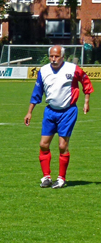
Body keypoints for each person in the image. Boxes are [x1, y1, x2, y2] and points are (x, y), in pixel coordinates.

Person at [24, 45, 94, 189]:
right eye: (51, 56)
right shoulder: (43, 71)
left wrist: (86, 102)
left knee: (62, 145)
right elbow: (37, 92)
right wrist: (30, 111)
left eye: (56, 56)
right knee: (43, 144)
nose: (53, 59)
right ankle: (46, 177)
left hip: (68, 112)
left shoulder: (73, 69)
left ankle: (61, 178)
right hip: (50, 111)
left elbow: (86, 82)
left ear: (62, 57)